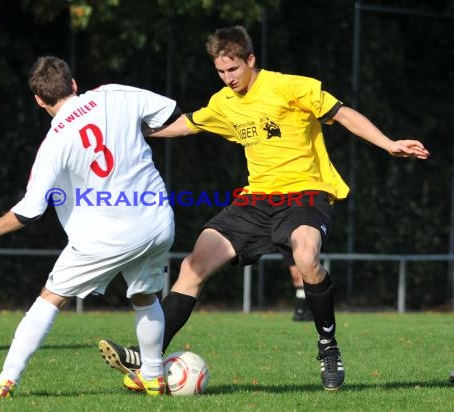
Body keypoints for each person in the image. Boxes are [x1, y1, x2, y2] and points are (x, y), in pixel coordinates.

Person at [98, 25, 430, 391]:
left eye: (233, 70)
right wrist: (126, 131)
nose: (228, 79)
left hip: (305, 194)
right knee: (191, 267)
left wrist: (388, 144)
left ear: (251, 60)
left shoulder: (290, 87)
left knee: (306, 259)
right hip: (255, 201)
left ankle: (328, 347)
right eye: (221, 72)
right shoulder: (223, 103)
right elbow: (184, 126)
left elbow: (344, 113)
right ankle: (150, 360)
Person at [0, 56, 180, 397]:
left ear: (39, 101)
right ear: (74, 84)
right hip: (157, 221)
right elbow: (169, 116)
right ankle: (152, 376)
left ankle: (5, 382)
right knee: (145, 295)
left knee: (50, 300)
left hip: (106, 235)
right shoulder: (113, 94)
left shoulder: (55, 141)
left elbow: (30, 211)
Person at [280, 250, 313, 322]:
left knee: (303, 277)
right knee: (296, 279)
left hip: (302, 244)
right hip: (287, 245)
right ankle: (300, 311)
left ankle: (306, 310)